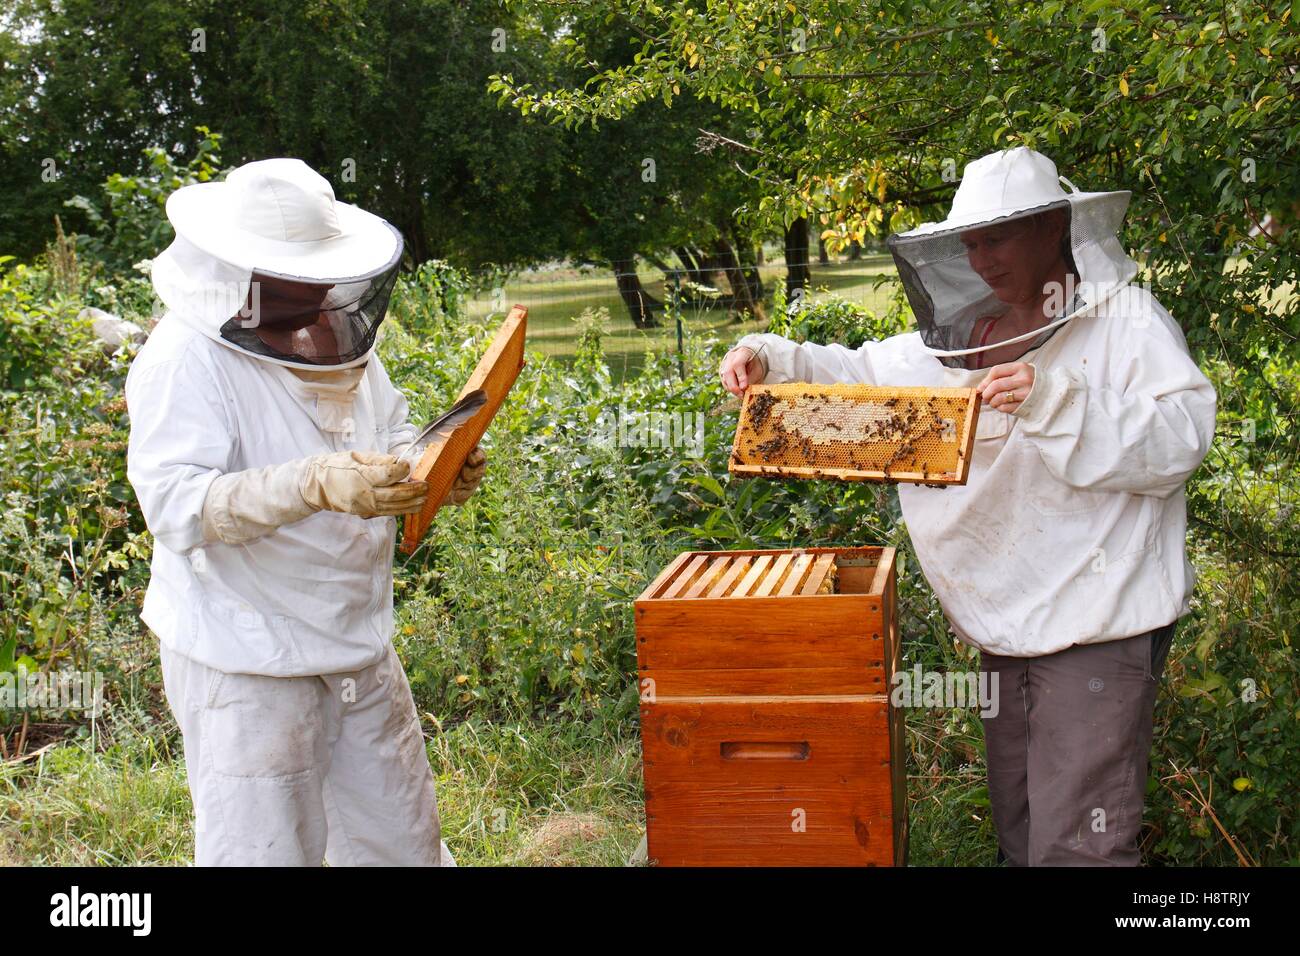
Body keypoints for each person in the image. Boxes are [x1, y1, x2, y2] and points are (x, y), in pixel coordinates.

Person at [720, 146, 1217, 866]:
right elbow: (865, 377)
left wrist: (1057, 401)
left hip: (1099, 622)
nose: (982, 260)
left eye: (998, 238)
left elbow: (1182, 438)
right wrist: (774, 359)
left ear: (1053, 227)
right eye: (971, 243)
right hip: (1002, 623)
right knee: (1021, 832)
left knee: (1078, 849)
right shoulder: (970, 328)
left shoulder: (1128, 324)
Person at [126, 158, 486, 866]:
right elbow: (174, 506)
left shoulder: (336, 336)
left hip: (355, 639)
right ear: (243, 272)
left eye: (322, 273)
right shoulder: (183, 359)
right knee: (266, 851)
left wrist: (432, 465)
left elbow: (387, 431)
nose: (319, 291)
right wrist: (312, 484)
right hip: (246, 654)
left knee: (401, 842)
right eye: (298, 276)